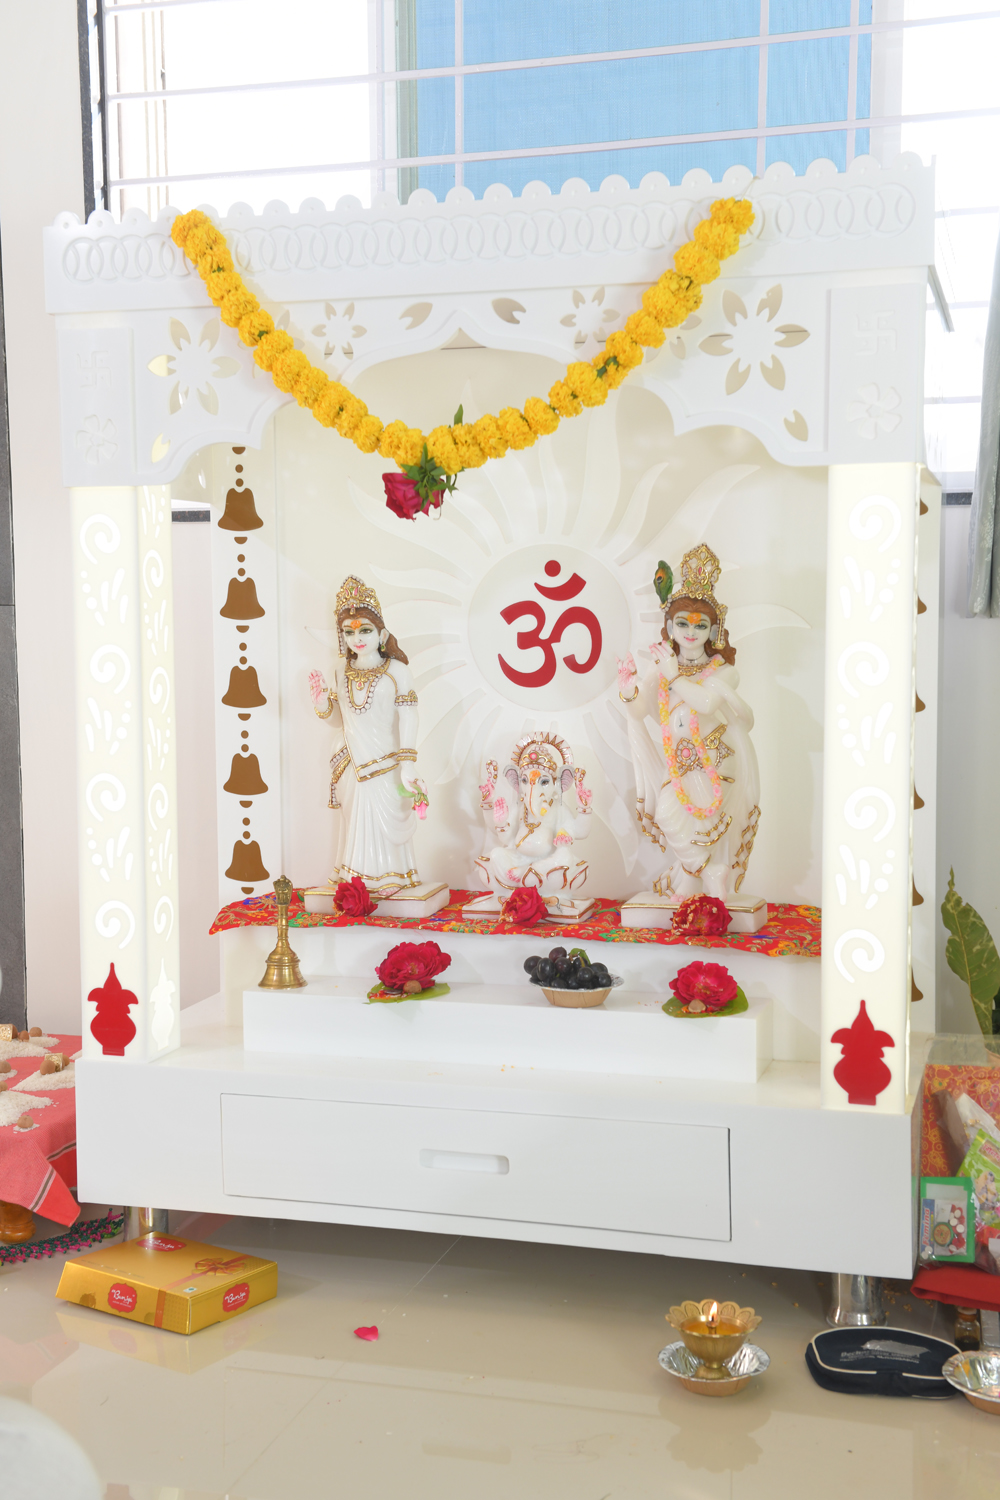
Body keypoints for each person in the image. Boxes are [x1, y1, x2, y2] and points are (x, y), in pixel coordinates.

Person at [617, 544, 761, 900]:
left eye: (701, 625)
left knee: (704, 823)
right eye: (682, 623)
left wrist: (673, 675)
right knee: (671, 814)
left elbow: (707, 702)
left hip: (715, 757)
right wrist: (629, 690)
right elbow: (640, 711)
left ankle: (697, 880)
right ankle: (708, 874)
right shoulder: (662, 668)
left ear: (713, 631)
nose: (691, 631)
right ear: (670, 627)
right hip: (679, 760)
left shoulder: (723, 671)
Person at [309, 575, 424, 896]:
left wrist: (408, 763)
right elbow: (340, 719)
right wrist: (321, 704)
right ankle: (355, 881)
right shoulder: (339, 671)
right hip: (351, 760)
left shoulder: (397, 671)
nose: (357, 639)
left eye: (365, 631)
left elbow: (409, 716)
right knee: (356, 823)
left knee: (386, 821)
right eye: (349, 632)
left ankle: (391, 876)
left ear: (382, 634)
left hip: (386, 761)